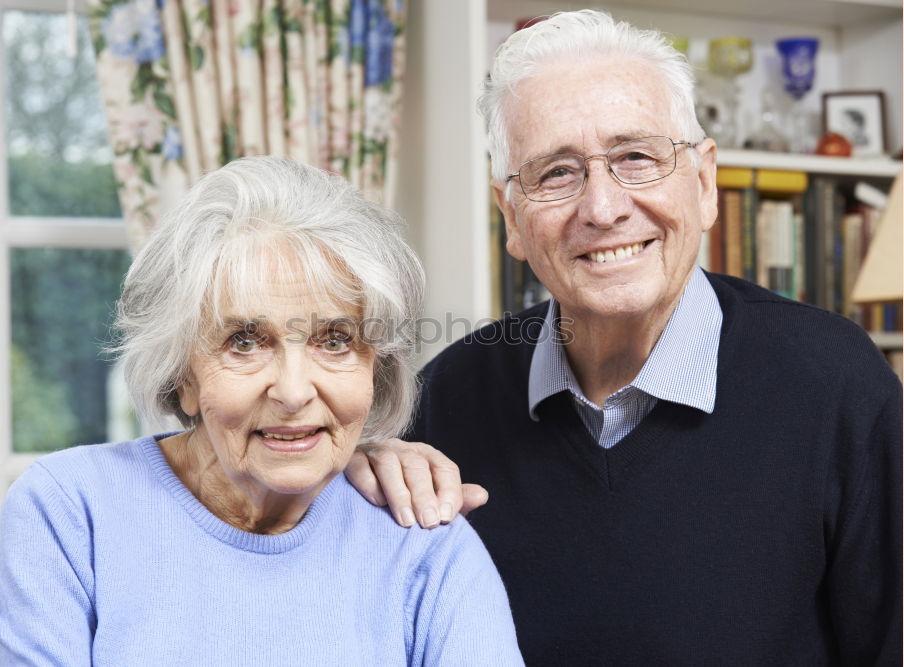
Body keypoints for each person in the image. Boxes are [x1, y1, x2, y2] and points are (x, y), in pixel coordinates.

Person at [345, 10, 902, 665]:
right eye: (556, 172)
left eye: (636, 158)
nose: (603, 207)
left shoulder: (838, 385)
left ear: (702, 183)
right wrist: (349, 482)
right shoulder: (446, 396)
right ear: (512, 220)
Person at [0, 157, 524, 665]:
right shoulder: (69, 510)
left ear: (375, 370)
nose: (293, 392)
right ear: (183, 376)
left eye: (335, 340)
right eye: (245, 342)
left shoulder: (426, 542)